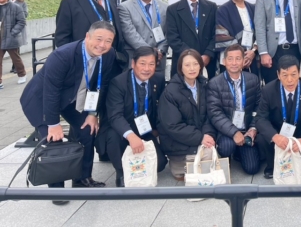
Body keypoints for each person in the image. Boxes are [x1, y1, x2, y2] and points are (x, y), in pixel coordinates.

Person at [20, 21, 116, 202]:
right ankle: (57, 190)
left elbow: (101, 85)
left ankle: (82, 179)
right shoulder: (62, 55)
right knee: (53, 140)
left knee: (87, 130)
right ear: (87, 37)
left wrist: (92, 114)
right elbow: (51, 92)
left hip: (70, 98)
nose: (102, 45)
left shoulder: (108, 55)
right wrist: (53, 124)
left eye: (108, 41)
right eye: (98, 39)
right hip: (41, 99)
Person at [98, 46, 167, 187]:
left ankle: (138, 166)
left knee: (160, 164)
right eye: (142, 63)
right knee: (114, 136)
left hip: (144, 129)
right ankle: (121, 172)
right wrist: (130, 136)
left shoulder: (158, 79)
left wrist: (157, 129)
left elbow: (160, 108)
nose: (147, 69)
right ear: (133, 63)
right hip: (121, 129)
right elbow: (115, 116)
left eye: (151, 64)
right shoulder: (119, 82)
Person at [255, 55, 301, 179]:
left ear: (299, 73)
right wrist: (275, 136)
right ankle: (272, 166)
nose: (290, 80)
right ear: (278, 75)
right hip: (278, 130)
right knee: (262, 138)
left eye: (294, 74)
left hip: (299, 130)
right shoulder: (268, 90)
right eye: (285, 75)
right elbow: (260, 118)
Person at [54, 0, 127, 70]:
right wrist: (74, 61)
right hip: (85, 64)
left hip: (113, 64)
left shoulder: (111, 1)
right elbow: (62, 38)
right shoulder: (70, 3)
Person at [158, 49, 216, 180]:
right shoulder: (170, 91)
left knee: (209, 160)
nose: (192, 68)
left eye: (195, 64)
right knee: (185, 174)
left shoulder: (205, 85)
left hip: (200, 138)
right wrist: (200, 137)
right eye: (187, 65)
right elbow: (172, 125)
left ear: (201, 66)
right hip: (178, 144)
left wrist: (208, 134)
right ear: (180, 67)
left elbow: (210, 115)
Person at [207, 44, 261, 175]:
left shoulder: (253, 79)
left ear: (244, 61)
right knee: (226, 147)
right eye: (230, 59)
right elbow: (215, 114)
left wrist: (253, 128)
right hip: (226, 130)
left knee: (252, 168)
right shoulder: (214, 83)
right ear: (224, 61)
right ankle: (230, 152)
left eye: (238, 59)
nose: (234, 63)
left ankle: (239, 152)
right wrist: (234, 132)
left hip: (246, 129)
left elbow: (259, 106)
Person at [255, 0, 301, 84]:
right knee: (273, 87)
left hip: (295, 50)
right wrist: (263, 53)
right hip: (273, 52)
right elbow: (259, 26)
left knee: (293, 85)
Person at [166, 0, 217, 78]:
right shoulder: (173, 10)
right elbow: (172, 37)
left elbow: (216, 34)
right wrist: (191, 57)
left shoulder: (211, 7)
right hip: (183, 62)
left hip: (207, 62)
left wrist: (208, 54)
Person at [118, 0, 168, 78]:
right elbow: (129, 33)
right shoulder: (125, 7)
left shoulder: (165, 7)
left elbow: (169, 33)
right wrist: (151, 53)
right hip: (137, 60)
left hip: (159, 61)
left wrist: (160, 51)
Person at [215, 0, 258, 74]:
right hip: (232, 60)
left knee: (251, 82)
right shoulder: (223, 10)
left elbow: (261, 31)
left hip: (251, 58)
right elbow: (222, 36)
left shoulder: (253, 8)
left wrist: (253, 51)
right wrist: (241, 55)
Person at [0, 0, 27, 86]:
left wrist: (13, 33)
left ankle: (22, 74)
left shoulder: (16, 7)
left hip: (11, 37)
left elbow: (22, 21)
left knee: (15, 58)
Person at [8, 0, 28, 74]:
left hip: (17, 28)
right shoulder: (6, 2)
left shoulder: (22, 2)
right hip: (7, 28)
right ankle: (15, 66)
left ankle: (16, 66)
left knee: (16, 47)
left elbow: (25, 14)